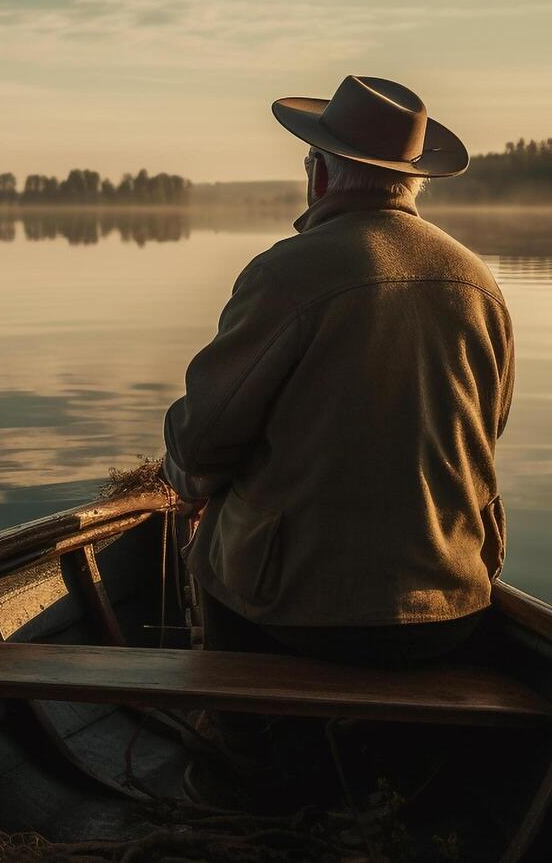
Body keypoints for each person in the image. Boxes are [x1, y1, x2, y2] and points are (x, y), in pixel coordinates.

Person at [161, 75, 515, 803]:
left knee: (208, 540)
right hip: (450, 612)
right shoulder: (478, 282)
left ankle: (232, 775)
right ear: (412, 180)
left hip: (297, 615)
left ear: (318, 170)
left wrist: (185, 483)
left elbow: (201, 446)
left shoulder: (287, 273)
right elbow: (487, 432)